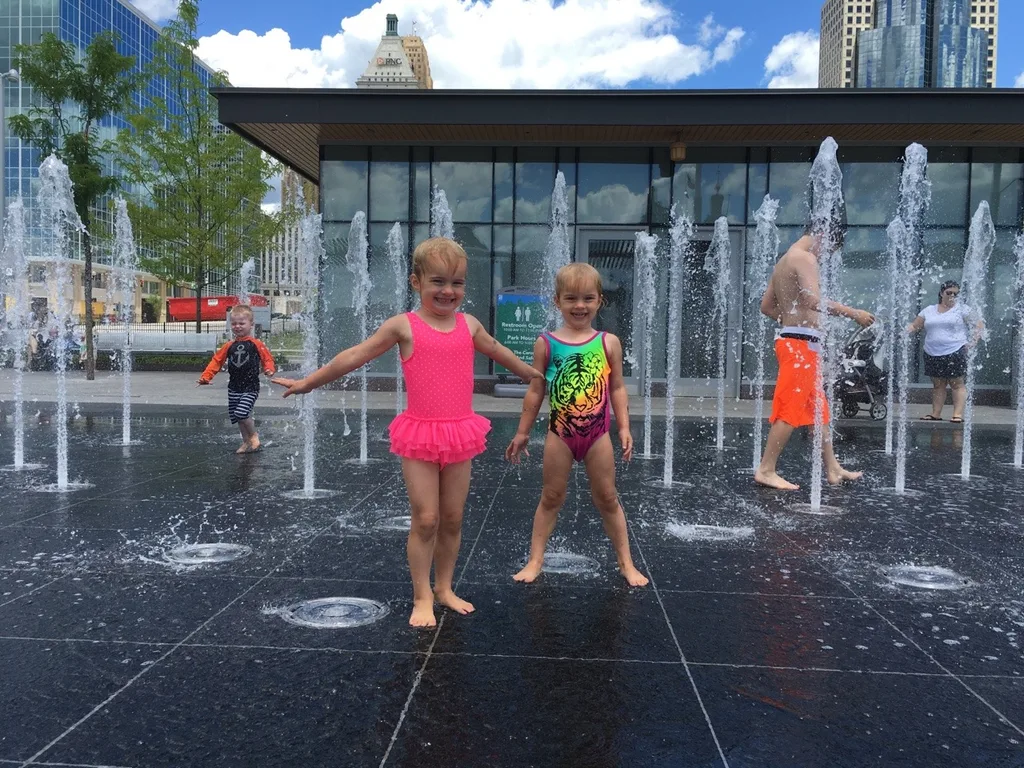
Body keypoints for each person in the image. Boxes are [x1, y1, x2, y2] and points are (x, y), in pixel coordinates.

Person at [272, 237, 540, 628]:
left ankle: (444, 588)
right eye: (438, 281)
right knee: (426, 518)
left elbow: (497, 349)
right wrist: (309, 382)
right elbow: (355, 355)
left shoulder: (469, 324)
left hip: (459, 431)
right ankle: (421, 595)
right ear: (416, 281)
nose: (448, 291)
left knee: (452, 517)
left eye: (457, 283)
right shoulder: (404, 325)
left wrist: (531, 373)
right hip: (419, 434)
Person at [506, 263, 649, 586]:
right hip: (560, 433)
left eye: (587, 298)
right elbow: (536, 389)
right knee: (551, 496)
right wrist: (523, 432)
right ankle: (535, 560)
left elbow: (617, 388)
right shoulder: (546, 342)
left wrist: (624, 428)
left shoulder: (608, 342)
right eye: (571, 298)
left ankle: (626, 563)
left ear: (600, 300)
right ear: (557, 301)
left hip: (598, 435)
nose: (579, 306)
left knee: (608, 498)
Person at [754, 224, 875, 491]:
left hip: (797, 343)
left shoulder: (784, 260)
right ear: (822, 236)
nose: (825, 256)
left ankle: (832, 468)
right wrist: (853, 313)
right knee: (789, 409)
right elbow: (812, 300)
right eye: (829, 249)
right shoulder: (805, 257)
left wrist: (791, 323)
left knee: (818, 410)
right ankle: (766, 469)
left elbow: (766, 306)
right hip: (799, 347)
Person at [197, 305, 276, 454]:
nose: (237, 327)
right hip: (234, 387)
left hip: (250, 387)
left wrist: (269, 369)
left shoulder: (256, 344)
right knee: (237, 417)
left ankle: (253, 436)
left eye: (241, 323)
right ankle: (246, 442)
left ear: (251, 324)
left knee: (242, 413)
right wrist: (206, 377)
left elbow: (267, 358)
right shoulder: (229, 346)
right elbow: (216, 361)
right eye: (234, 324)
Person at [906, 280, 983, 423]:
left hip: (955, 350)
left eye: (956, 294)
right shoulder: (929, 310)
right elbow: (915, 325)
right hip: (932, 352)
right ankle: (936, 414)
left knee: (956, 383)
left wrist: (973, 342)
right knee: (938, 384)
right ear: (941, 293)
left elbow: (978, 324)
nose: (952, 296)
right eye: (949, 293)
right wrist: (905, 331)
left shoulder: (962, 309)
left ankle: (957, 415)